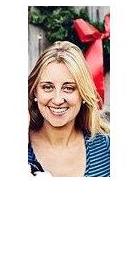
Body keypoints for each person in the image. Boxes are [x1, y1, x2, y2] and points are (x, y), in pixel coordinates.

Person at [28, 41, 110, 177]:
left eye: (68, 88)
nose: (58, 100)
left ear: (82, 93)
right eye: (47, 87)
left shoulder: (106, 148)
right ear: (35, 92)